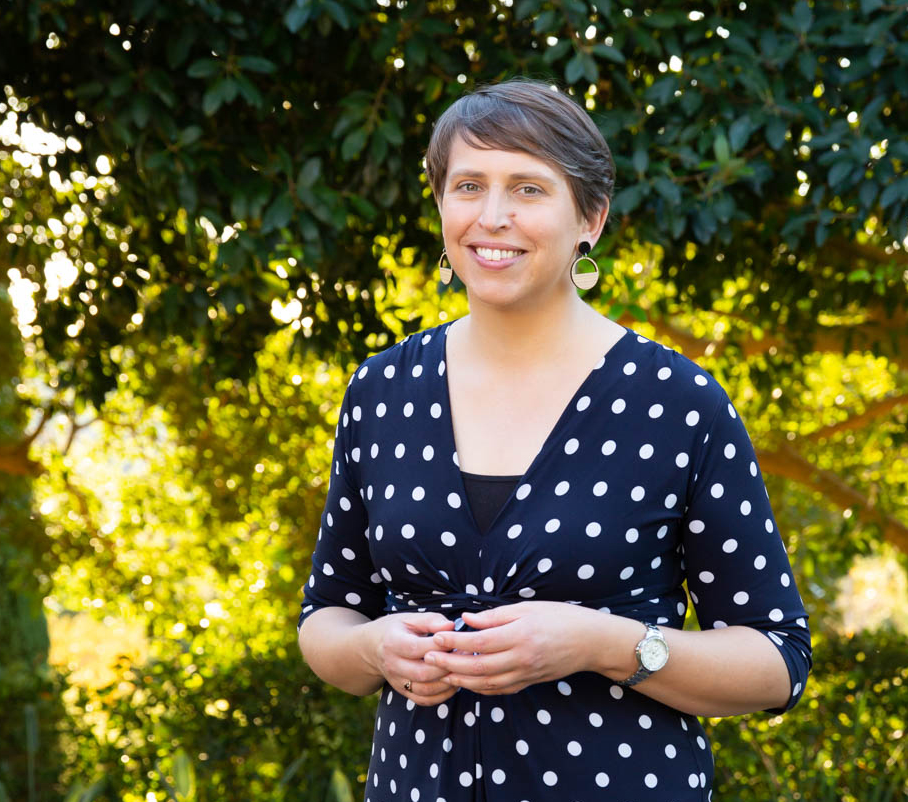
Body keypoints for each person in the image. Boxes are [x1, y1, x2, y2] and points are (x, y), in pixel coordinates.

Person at [296, 77, 811, 802]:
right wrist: (373, 647)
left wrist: (601, 644)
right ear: (442, 207)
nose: (493, 216)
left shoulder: (676, 403)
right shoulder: (381, 393)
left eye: (529, 189)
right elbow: (326, 619)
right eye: (468, 185)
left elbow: (776, 660)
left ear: (590, 218)